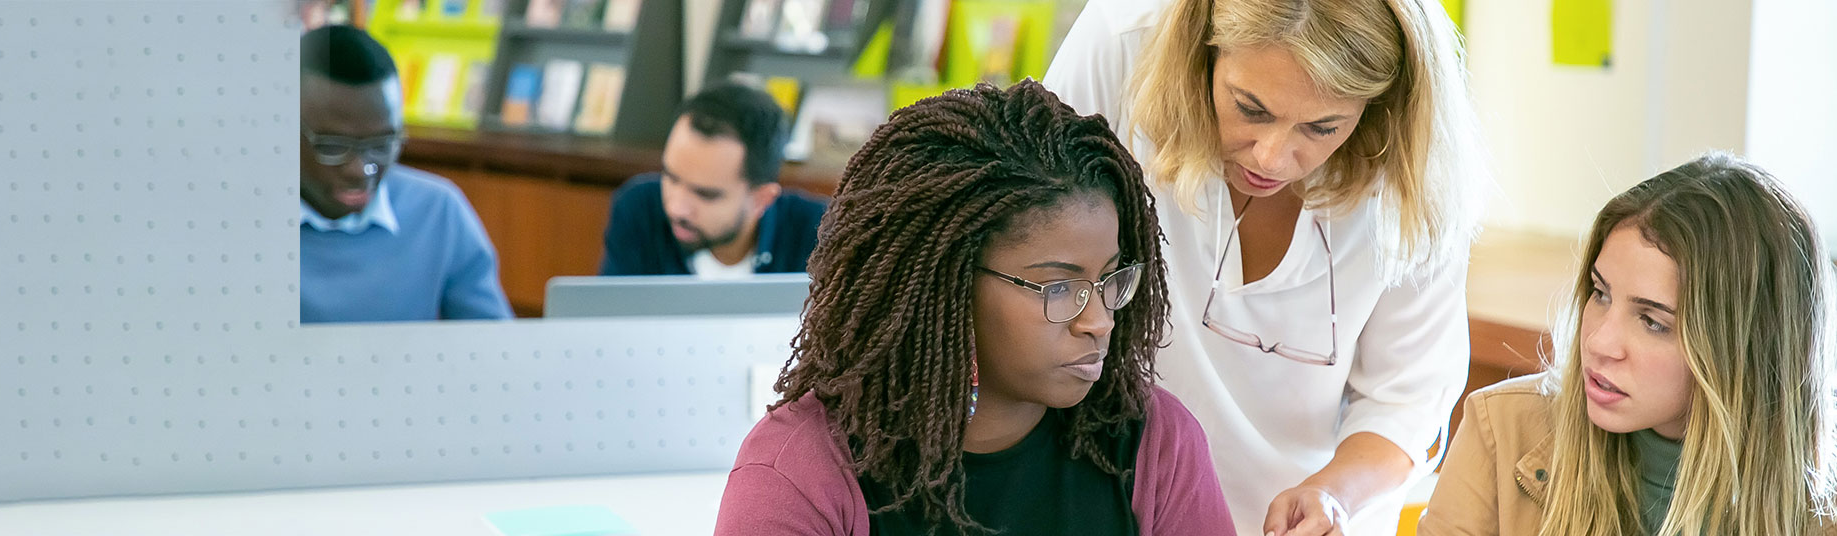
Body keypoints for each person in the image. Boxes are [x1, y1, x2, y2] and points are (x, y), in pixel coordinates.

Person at [1043, 0, 1488, 533]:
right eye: (1251, 109)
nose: (1272, 159)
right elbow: (1034, 252)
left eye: (1322, 127)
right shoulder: (1123, 41)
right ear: (1204, 49)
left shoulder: (1412, 161)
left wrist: (1333, 495)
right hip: (1107, 495)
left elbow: (1407, 400)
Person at [714, 81, 1235, 535]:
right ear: (945, 284)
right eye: (1059, 288)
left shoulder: (1155, 445)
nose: (1099, 320)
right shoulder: (801, 474)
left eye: (1109, 281)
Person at [1420, 153, 1837, 535]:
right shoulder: (1504, 428)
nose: (1600, 342)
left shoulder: (1820, 510)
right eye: (1600, 294)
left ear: (1745, 351)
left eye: (1653, 322)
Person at [298, 25, 513, 323]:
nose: (361, 169)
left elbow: (495, 352)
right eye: (333, 146)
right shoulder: (238, 224)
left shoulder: (439, 211)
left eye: (382, 145)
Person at [599, 84, 826, 278]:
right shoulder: (639, 210)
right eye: (671, 177)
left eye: (705, 194)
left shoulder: (818, 234)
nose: (677, 208)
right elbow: (609, 323)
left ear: (762, 199)